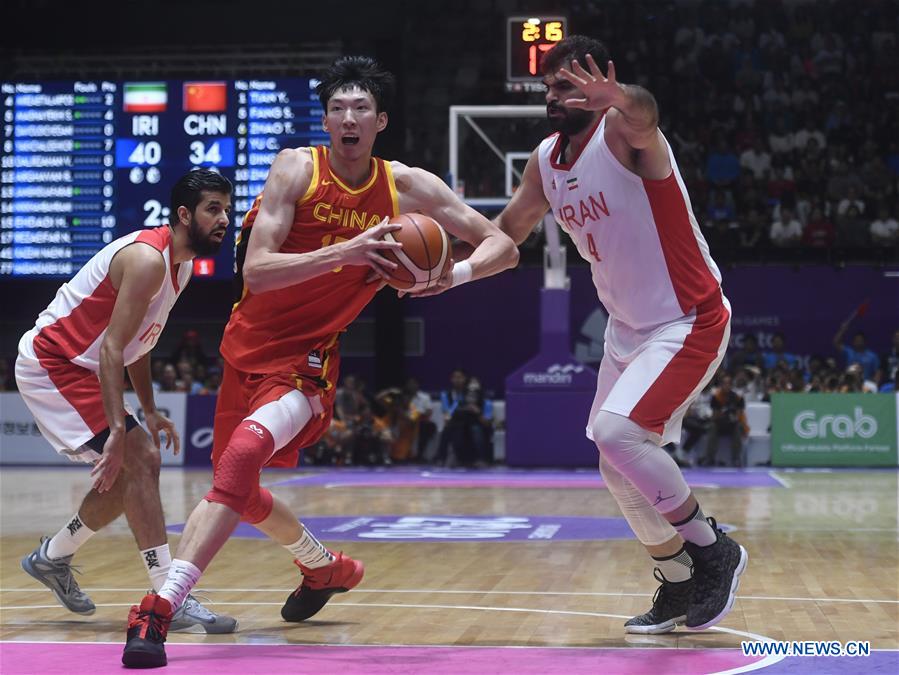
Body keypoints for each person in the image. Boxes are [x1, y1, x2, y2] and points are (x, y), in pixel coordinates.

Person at [121, 56, 519, 668]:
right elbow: (256, 269)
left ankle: (159, 608)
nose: (349, 118)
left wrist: (454, 274)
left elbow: (504, 245)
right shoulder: (295, 170)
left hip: (309, 360)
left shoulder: (406, 186)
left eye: (361, 108)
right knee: (240, 494)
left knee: (242, 459)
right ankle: (323, 567)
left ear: (379, 120)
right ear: (327, 121)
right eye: (338, 109)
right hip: (245, 346)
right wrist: (350, 250)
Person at [478, 36, 748, 635]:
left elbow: (646, 113)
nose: (555, 96)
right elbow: (507, 233)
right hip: (627, 329)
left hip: (688, 318)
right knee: (613, 463)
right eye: (549, 87)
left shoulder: (626, 133)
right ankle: (677, 582)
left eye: (569, 85)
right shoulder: (544, 161)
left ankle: (712, 549)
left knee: (617, 432)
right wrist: (452, 268)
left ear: (601, 88)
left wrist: (621, 98)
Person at [15, 169, 237, 634]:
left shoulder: (182, 266)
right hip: (54, 361)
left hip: (86, 365)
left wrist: (150, 409)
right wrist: (120, 430)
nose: (224, 219)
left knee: (126, 478)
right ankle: (167, 594)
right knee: (142, 458)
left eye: (227, 209)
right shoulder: (147, 260)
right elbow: (113, 349)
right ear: (183, 215)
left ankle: (52, 558)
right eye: (213, 208)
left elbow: (140, 343)